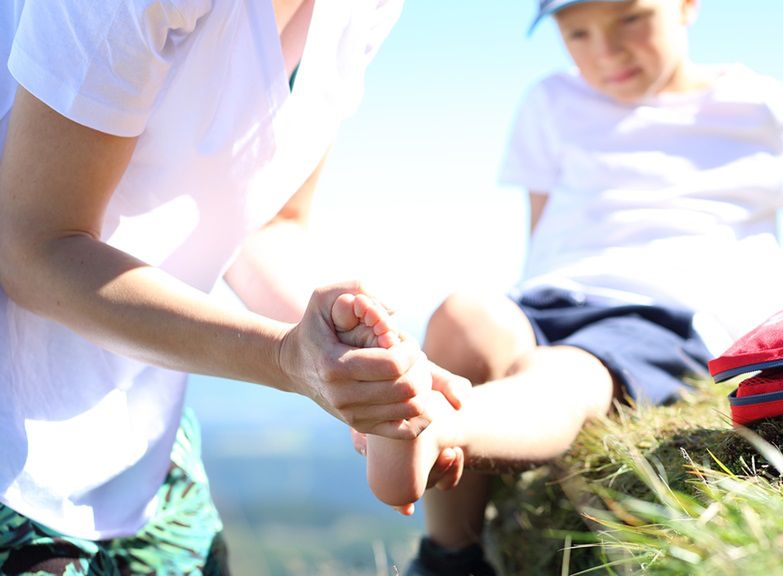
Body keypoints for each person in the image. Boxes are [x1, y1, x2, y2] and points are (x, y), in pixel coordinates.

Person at [353, 1, 783, 574]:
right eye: (577, 33)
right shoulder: (552, 100)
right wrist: (515, 318)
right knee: (463, 315)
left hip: (664, 311)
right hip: (553, 293)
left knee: (561, 374)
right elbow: (545, 224)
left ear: (685, 7)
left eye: (630, 18)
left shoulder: (758, 106)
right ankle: (450, 552)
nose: (605, 51)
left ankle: (434, 424)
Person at [0, 1, 468, 573]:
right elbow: (31, 248)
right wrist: (286, 359)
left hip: (139, 417)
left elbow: (268, 225)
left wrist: (366, 360)